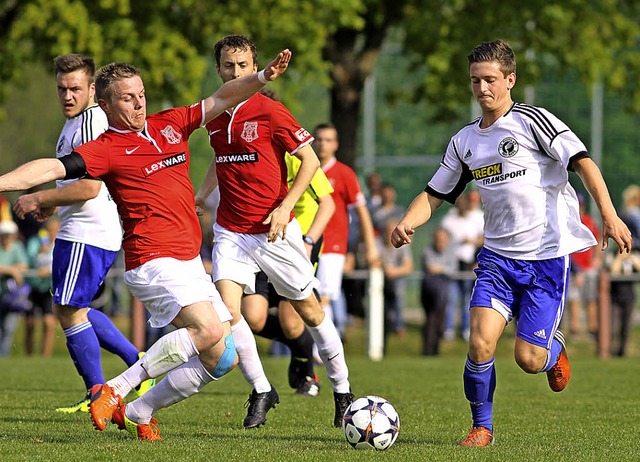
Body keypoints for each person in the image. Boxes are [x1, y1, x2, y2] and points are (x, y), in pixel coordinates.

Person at [1, 48, 292, 440]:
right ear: (104, 104)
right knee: (206, 332)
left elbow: (223, 97)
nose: (139, 103)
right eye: (127, 97)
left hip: (188, 261)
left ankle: (140, 410)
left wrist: (262, 78)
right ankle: (115, 390)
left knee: (222, 357)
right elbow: (51, 168)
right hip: (151, 260)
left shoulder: (169, 123)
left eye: (141, 94)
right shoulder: (105, 147)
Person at [391, 39, 632, 447]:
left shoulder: (534, 122)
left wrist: (608, 213)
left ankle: (552, 351)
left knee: (528, 360)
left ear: (510, 80)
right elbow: (435, 193)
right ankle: (481, 427)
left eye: (490, 79)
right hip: (498, 260)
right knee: (480, 342)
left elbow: (583, 163)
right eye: (475, 81)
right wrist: (407, 222)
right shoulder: (465, 141)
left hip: (545, 261)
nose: (482, 88)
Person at [195, 35, 352, 430]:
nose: (236, 72)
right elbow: (220, 158)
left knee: (309, 312)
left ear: (254, 67)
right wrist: (201, 194)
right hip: (231, 230)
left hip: (274, 231)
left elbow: (310, 161)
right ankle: (263, 388)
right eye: (229, 66)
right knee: (228, 314)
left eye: (243, 66)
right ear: (219, 70)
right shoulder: (214, 113)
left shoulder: (270, 110)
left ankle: (342, 389)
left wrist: (285, 206)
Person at [11, 54, 154, 413]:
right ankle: (135, 362)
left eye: (75, 88)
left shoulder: (91, 122)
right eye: (62, 88)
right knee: (75, 308)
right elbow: (80, 184)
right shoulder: (72, 124)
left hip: (89, 233)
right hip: (84, 230)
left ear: (93, 89)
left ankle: (99, 391)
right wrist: (53, 204)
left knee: (69, 310)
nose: (68, 95)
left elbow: (90, 188)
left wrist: (40, 196)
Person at [240, 146, 336, 397]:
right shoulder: (252, 156)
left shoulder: (299, 158)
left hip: (297, 245)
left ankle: (307, 371)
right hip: (262, 242)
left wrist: (309, 240)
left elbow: (328, 204)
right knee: (253, 317)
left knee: (292, 321)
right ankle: (296, 345)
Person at [313, 123, 379, 337]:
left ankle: (323, 350)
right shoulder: (305, 168)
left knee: (324, 296)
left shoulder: (344, 173)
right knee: (305, 297)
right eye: (319, 139)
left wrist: (370, 247)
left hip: (333, 244)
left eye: (328, 140)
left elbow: (362, 212)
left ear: (336, 145)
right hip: (306, 242)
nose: (323, 144)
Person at [440, 191, 484, 341]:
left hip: (468, 263)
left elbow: (482, 240)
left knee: (467, 299)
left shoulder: (475, 219)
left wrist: (471, 242)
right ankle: (449, 329)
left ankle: (466, 329)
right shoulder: (449, 220)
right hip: (453, 263)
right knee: (451, 298)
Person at [566, 194, 601, 336]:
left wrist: (597, 260)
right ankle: (574, 330)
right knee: (574, 299)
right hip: (573, 269)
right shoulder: (568, 221)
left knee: (591, 298)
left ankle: (592, 329)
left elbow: (597, 241)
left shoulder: (589, 221)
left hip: (588, 268)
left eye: (581, 205)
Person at [24, 215, 59, 357]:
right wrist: (40, 251)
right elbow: (29, 259)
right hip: (33, 286)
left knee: (49, 322)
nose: (52, 233)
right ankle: (29, 356)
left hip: (49, 288)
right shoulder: (35, 242)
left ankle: (46, 356)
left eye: (55, 230)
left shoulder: (61, 243)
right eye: (50, 230)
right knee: (30, 323)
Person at [421, 227, 457, 356]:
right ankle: (428, 351)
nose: (440, 243)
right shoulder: (428, 251)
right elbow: (430, 267)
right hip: (429, 291)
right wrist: (443, 269)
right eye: (438, 240)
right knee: (431, 320)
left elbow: (452, 270)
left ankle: (435, 350)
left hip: (443, 292)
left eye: (443, 240)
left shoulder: (450, 252)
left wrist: (439, 269)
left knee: (439, 322)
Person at [377, 218, 413, 338]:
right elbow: (371, 260)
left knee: (398, 292)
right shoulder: (377, 243)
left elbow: (408, 267)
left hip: (396, 278)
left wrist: (394, 272)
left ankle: (398, 325)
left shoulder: (403, 245)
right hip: (380, 278)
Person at [0, 219, 29, 356]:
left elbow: (23, 266)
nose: (6, 237)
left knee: (8, 328)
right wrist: (12, 270)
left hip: (12, 296)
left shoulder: (17, 247)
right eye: (4, 234)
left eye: (9, 234)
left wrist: (7, 269)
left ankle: (3, 358)